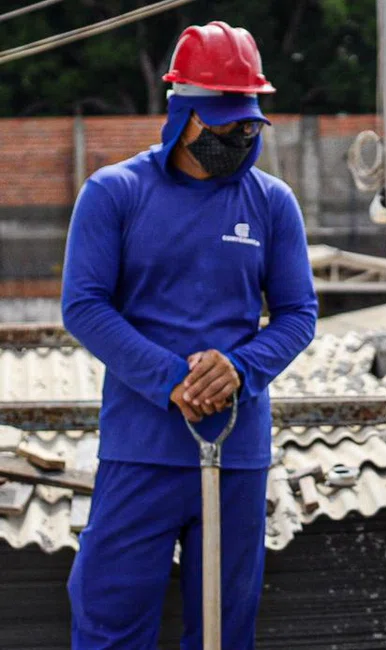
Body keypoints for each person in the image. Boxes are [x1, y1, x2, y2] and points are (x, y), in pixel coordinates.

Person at [60, 20, 317, 649]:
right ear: (182, 116)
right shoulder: (114, 193)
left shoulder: (272, 202)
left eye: (249, 125)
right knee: (109, 617)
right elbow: (84, 306)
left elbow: (297, 313)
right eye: (223, 126)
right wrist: (171, 378)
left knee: (223, 631)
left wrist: (240, 368)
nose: (238, 137)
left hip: (235, 449)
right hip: (141, 446)